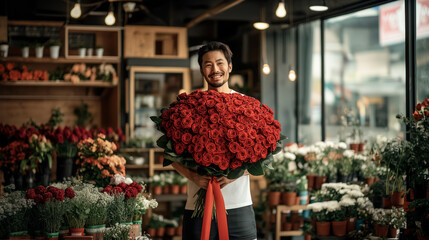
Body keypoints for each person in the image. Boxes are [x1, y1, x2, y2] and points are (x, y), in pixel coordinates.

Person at [171, 41, 257, 240]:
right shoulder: (188, 107)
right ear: (201, 69)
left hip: (239, 207)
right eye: (208, 64)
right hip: (198, 209)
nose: (215, 69)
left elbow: (263, 157)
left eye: (220, 63)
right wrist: (193, 177)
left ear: (229, 66)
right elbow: (171, 157)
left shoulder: (248, 106)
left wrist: (234, 175)